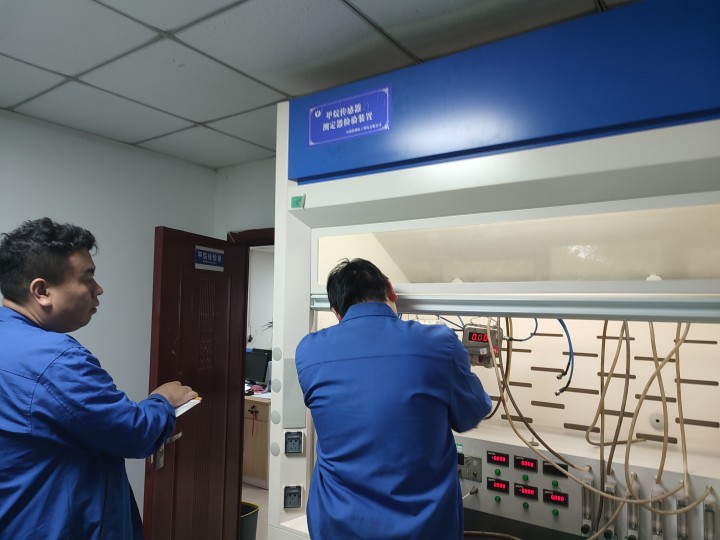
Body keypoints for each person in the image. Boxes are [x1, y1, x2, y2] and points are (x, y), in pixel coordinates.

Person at [0, 218, 197, 539]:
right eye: (87, 278)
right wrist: (163, 400)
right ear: (42, 291)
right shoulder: (57, 361)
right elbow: (134, 433)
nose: (98, 289)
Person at [295, 258, 492, 540]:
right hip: (424, 529)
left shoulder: (308, 352)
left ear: (336, 312)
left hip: (337, 526)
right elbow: (472, 413)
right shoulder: (439, 343)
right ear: (390, 289)